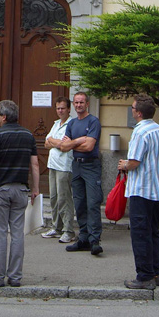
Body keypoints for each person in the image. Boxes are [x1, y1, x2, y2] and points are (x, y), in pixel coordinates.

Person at [0, 99, 39, 287]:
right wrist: (35, 189)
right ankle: (15, 277)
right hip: (21, 189)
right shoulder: (28, 135)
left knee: (0, 234)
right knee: (18, 234)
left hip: (1, 189)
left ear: (4, 117)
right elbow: (35, 164)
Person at [119, 94, 159, 290]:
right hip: (157, 189)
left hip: (142, 189)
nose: (132, 111)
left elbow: (134, 162)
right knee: (153, 232)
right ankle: (157, 272)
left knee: (140, 234)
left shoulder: (140, 132)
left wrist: (124, 164)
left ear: (138, 113)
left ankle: (145, 276)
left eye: (132, 108)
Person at [60, 91, 103, 255]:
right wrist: (79, 140)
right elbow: (63, 147)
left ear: (87, 104)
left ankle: (94, 240)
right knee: (79, 204)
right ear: (73, 104)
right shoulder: (71, 124)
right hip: (76, 166)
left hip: (91, 166)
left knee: (92, 204)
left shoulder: (93, 122)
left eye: (81, 102)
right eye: (76, 102)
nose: (78, 105)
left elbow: (89, 146)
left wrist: (72, 143)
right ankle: (83, 238)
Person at [41, 96, 76, 243]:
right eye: (58, 108)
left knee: (64, 198)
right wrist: (56, 142)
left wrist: (53, 141)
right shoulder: (56, 124)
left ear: (69, 109)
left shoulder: (72, 124)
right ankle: (57, 227)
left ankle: (69, 230)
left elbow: (64, 146)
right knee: (54, 198)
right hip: (53, 165)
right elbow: (46, 143)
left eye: (62, 108)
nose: (60, 111)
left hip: (64, 166)